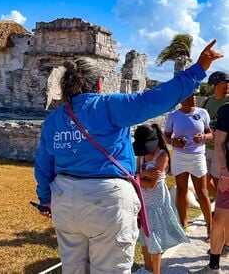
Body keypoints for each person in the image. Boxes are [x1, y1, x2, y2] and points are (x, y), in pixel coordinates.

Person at [34, 40, 222, 274]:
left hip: (64, 198)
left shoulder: (54, 119)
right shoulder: (108, 106)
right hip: (107, 198)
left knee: (73, 269)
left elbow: (43, 165)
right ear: (99, 84)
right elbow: (154, 100)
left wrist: (45, 199)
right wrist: (199, 68)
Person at [133, 124, 189, 274]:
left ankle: (156, 271)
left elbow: (151, 184)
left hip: (156, 203)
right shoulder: (141, 155)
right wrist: (142, 174)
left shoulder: (162, 155)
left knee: (154, 239)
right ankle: (148, 268)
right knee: (144, 237)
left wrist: (139, 177)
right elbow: (136, 177)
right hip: (143, 203)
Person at [164, 89, 213, 240]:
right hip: (179, 157)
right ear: (180, 99)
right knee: (181, 190)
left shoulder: (203, 113)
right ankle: (183, 224)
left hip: (197, 157)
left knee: (202, 192)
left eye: (193, 95)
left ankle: (210, 228)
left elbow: (211, 134)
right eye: (189, 96)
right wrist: (174, 141)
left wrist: (204, 136)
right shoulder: (173, 116)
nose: (193, 98)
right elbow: (166, 137)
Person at [194, 103, 229, 274]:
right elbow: (219, 143)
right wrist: (225, 173)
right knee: (219, 221)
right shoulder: (227, 110)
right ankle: (214, 266)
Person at [203, 71, 229, 198]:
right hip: (206, 147)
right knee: (205, 181)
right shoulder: (207, 102)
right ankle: (221, 204)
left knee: (221, 182)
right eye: (225, 82)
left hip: (221, 149)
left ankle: (222, 208)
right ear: (216, 84)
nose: (228, 85)